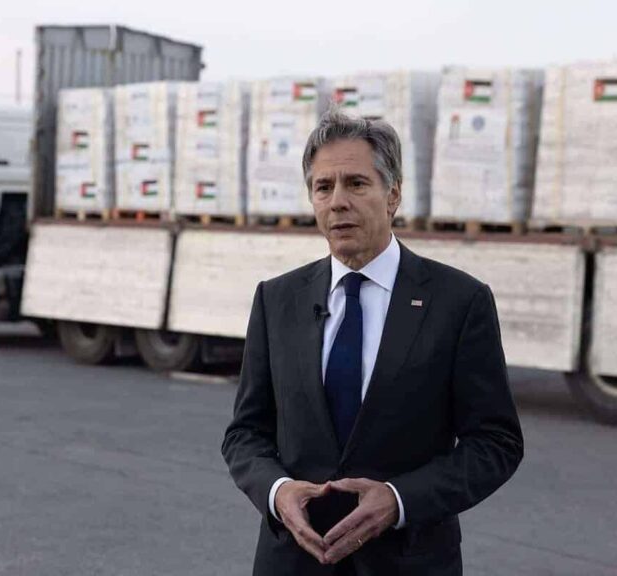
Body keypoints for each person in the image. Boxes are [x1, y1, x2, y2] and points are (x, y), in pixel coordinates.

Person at [222, 109, 524, 575]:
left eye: (356, 184)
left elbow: (495, 442)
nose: (338, 201)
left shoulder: (459, 302)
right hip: (293, 561)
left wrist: (400, 500)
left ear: (393, 194)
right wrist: (277, 492)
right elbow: (245, 434)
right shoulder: (276, 300)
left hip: (408, 560)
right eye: (324, 187)